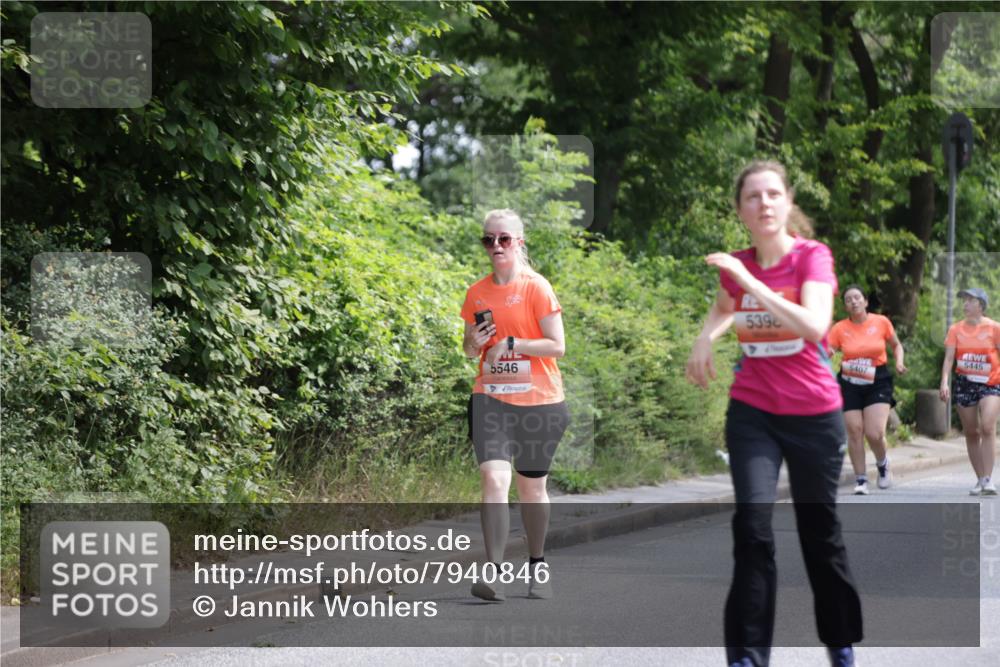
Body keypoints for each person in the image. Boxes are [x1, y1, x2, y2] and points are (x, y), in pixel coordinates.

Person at [685, 160, 863, 667]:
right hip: (753, 412)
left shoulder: (812, 257)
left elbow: (814, 325)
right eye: (752, 196)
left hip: (814, 413)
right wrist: (705, 336)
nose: (763, 203)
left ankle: (839, 641)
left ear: (788, 203)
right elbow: (725, 307)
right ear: (740, 209)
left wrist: (750, 281)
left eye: (772, 194)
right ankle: (746, 658)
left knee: (819, 533)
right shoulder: (736, 266)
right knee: (752, 527)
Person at [461, 208, 569, 601]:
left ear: (518, 242)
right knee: (493, 480)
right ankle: (494, 571)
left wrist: (510, 343)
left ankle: (537, 563)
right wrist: (473, 342)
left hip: (539, 401)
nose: (496, 245)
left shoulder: (537, 287)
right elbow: (469, 348)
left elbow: (557, 345)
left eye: (504, 239)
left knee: (531, 491)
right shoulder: (476, 292)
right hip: (490, 399)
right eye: (488, 239)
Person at [828, 286, 907, 495]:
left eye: (857, 298)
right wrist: (824, 356)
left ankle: (882, 464)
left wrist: (899, 362)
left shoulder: (881, 322)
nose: (853, 302)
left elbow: (896, 345)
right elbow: (829, 350)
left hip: (877, 379)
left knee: (874, 432)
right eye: (848, 300)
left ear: (865, 302)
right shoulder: (839, 328)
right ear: (845, 306)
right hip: (849, 381)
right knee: (854, 430)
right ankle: (861, 479)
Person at [939, 287, 1000, 496]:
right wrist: (944, 382)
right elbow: (949, 358)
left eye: (969, 300)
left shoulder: (994, 328)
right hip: (965, 383)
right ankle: (980, 478)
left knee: (988, 426)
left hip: (991, 383)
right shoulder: (956, 329)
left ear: (980, 305)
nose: (964, 304)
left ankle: (989, 479)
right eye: (963, 300)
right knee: (972, 432)